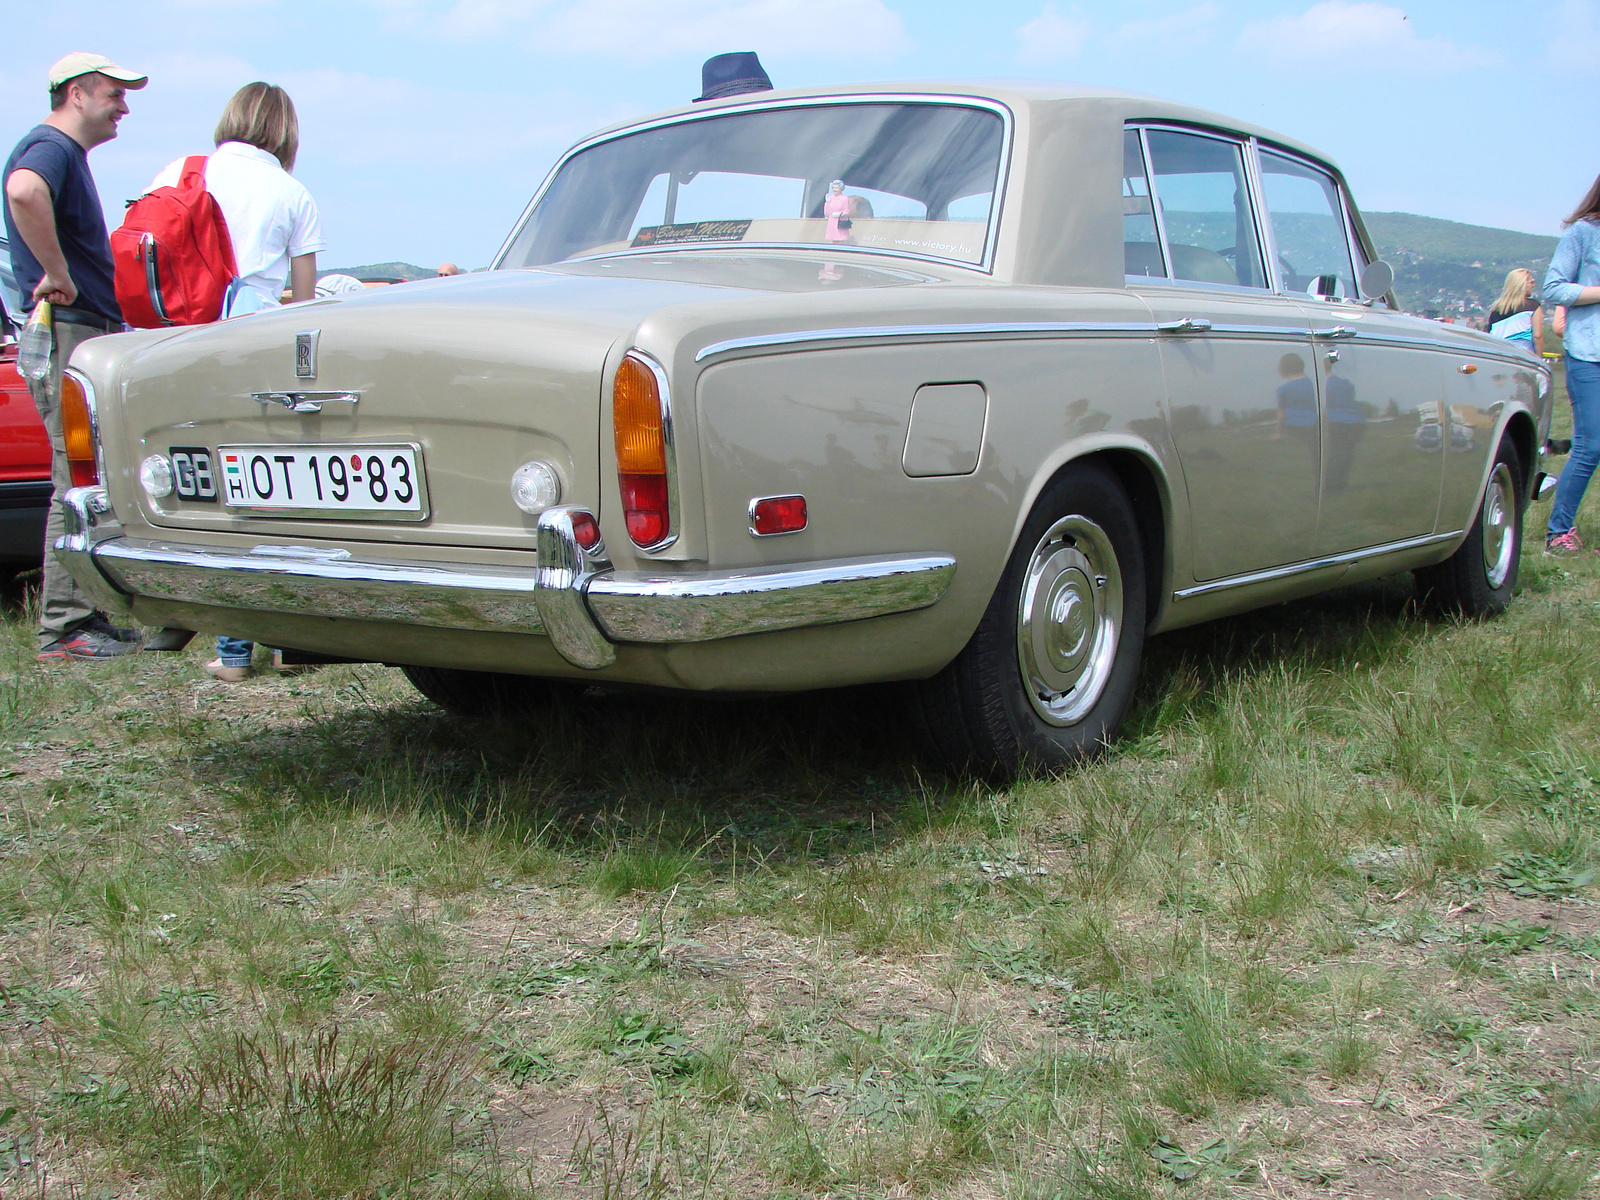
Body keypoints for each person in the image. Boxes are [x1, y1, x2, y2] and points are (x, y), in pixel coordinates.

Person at [144, 82, 326, 677]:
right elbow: (303, 303)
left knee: (219, 498)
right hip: (256, 350)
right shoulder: (292, 192)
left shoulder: (183, 170)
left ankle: (230, 650)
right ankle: (288, 643)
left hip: (182, 346)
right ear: (285, 132)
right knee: (279, 492)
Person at [4, 53, 148, 661]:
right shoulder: (50, 148)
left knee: (84, 476)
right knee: (74, 478)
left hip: (77, 328)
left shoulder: (62, 152)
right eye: (115, 94)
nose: (124, 107)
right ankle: (65, 628)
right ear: (78, 94)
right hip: (68, 327)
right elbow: (23, 190)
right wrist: (57, 273)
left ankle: (86, 617)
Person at [1543, 172, 1600, 555]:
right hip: (1589, 352)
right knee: (1591, 444)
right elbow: (1552, 288)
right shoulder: (1583, 233)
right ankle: (1558, 533)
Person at [1486, 268, 1544, 355]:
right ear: (1522, 284)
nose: (1533, 285)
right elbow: (1537, 336)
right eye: (1531, 282)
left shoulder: (1496, 308)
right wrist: (1539, 359)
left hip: (1499, 354)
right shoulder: (1533, 306)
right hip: (1524, 355)